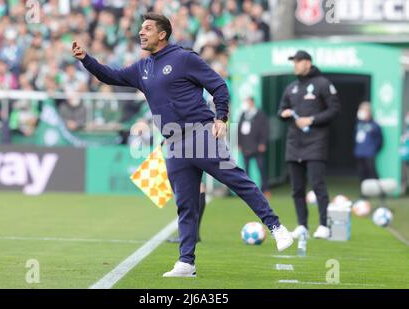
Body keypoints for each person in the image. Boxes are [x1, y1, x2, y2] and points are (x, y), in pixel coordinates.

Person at [73, 13, 293, 278]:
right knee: (185, 205)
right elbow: (110, 76)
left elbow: (219, 87)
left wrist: (221, 117)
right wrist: (86, 59)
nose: (141, 33)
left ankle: (277, 227)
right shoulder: (142, 68)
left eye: (147, 29)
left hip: (200, 134)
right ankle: (186, 263)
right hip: (173, 143)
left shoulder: (185, 58)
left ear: (162, 34)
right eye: (141, 29)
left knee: (237, 181)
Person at [278, 50, 340, 240]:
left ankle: (323, 225)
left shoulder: (323, 84)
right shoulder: (291, 87)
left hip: (316, 143)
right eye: (293, 61)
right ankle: (302, 225)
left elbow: (335, 109)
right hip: (294, 143)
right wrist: (284, 114)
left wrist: (311, 119)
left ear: (308, 63)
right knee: (297, 188)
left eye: (298, 61)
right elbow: (281, 109)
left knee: (317, 185)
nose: (295, 64)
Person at [238, 97, 270, 196]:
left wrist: (263, 143)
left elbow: (265, 129)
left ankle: (265, 189)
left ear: (252, 102)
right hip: (246, 146)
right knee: (246, 170)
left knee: (261, 168)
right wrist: (239, 143)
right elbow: (239, 129)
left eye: (248, 102)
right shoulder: (243, 114)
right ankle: (248, 191)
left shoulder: (260, 114)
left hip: (257, 146)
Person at [354, 101, 383, 183]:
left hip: (369, 153)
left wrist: (374, 149)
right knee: (361, 173)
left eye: (364, 110)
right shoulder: (359, 124)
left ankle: (379, 192)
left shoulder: (374, 125)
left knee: (372, 172)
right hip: (359, 152)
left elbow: (379, 140)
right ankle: (364, 193)